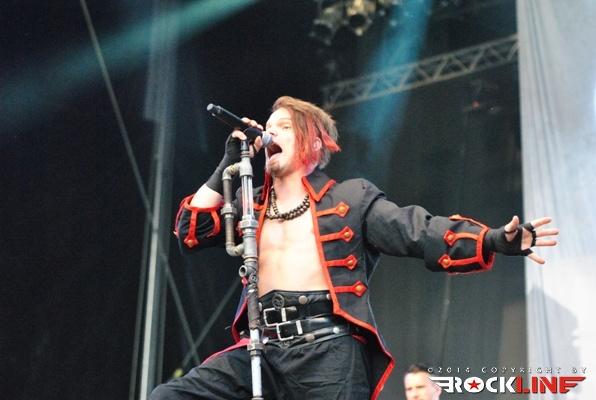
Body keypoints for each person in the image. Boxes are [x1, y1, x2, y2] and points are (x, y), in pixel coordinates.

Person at [152, 96, 558, 399]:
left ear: (315, 144)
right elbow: (190, 232)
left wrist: (494, 239)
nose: (270, 133)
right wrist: (227, 163)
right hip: (261, 348)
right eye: (269, 126)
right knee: (168, 396)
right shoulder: (250, 204)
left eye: (284, 127)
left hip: (326, 350)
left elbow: (417, 230)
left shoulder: (349, 199)